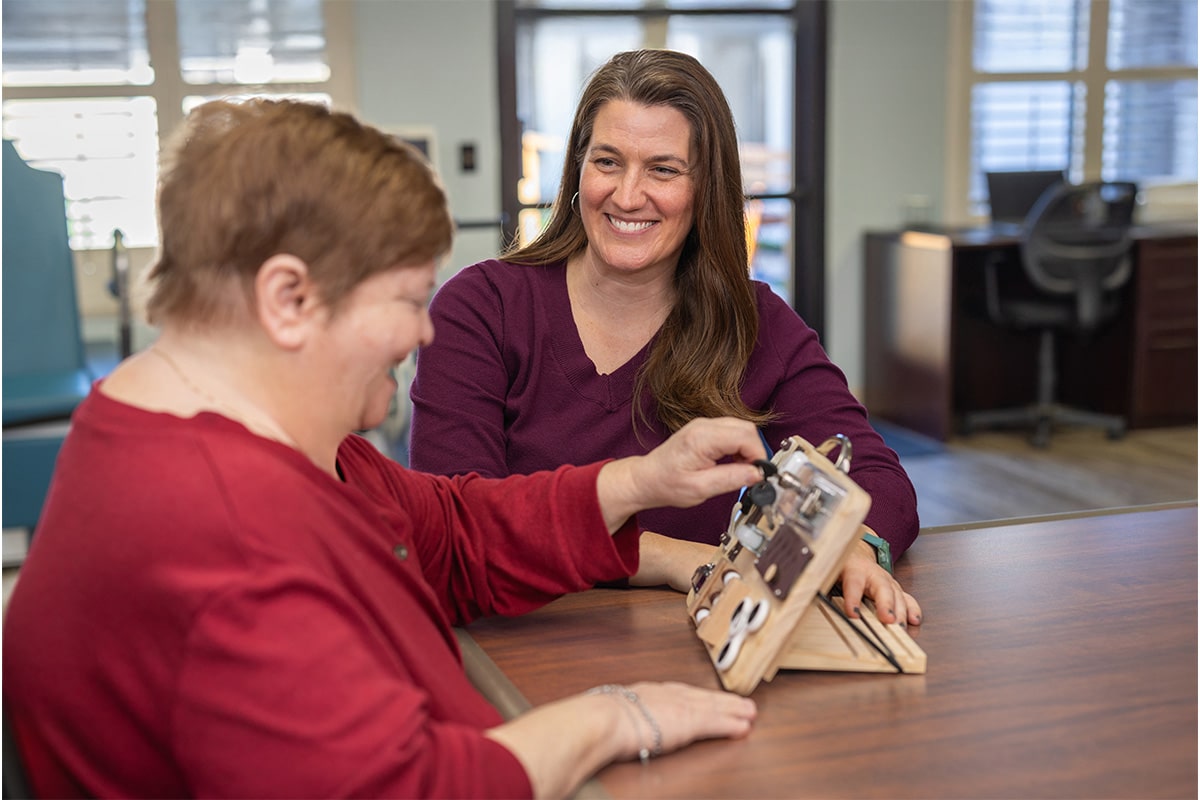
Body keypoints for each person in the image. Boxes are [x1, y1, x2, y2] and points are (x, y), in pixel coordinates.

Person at [0, 98, 766, 800]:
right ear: (289, 300)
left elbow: (451, 530)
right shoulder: (227, 537)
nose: (424, 332)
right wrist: (616, 719)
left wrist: (641, 480)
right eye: (405, 300)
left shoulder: (248, 433)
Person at [409, 49, 922, 626]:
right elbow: (453, 526)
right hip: (523, 649)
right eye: (607, 161)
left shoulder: (755, 322)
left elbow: (876, 475)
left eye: (663, 169)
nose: (628, 196)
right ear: (577, 168)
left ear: (707, 188)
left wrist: (854, 543)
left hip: (700, 658)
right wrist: (677, 559)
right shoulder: (482, 308)